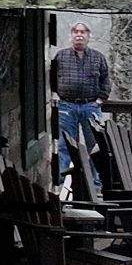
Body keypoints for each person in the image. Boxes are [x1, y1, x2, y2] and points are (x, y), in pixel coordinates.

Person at [48, 21, 110, 182]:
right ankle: (63, 182)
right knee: (65, 145)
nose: (79, 35)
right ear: (71, 36)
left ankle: (95, 183)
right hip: (66, 106)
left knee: (95, 146)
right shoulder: (61, 56)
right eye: (75, 31)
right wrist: (55, 94)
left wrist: (100, 100)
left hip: (90, 106)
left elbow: (105, 80)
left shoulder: (98, 57)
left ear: (89, 36)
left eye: (83, 32)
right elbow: (51, 77)